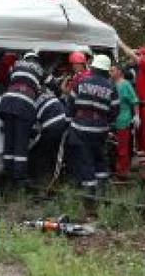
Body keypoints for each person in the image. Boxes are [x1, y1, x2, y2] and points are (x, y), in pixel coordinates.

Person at [65, 55, 119, 189]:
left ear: (93, 67)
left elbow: (70, 104)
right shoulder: (111, 87)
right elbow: (115, 111)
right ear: (106, 70)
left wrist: (69, 121)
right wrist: (106, 123)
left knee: (85, 159)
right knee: (99, 156)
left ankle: (89, 192)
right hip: (100, 129)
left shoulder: (81, 82)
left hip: (80, 128)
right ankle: (102, 187)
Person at [0, 51, 45, 185]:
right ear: (36, 59)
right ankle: (20, 178)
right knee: (20, 143)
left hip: (6, 104)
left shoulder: (16, 65)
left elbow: (7, 80)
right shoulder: (40, 69)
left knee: (9, 140)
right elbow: (50, 84)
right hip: (24, 105)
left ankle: (8, 172)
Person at [28, 88, 67, 181]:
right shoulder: (48, 93)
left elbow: (34, 130)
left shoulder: (31, 103)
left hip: (51, 126)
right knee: (56, 153)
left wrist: (29, 147)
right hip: (64, 122)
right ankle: (57, 179)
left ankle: (41, 180)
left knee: (41, 153)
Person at [109, 65, 138, 178]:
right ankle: (116, 169)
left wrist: (137, 115)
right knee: (114, 147)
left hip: (123, 119)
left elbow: (134, 100)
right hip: (112, 121)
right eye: (109, 71)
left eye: (112, 71)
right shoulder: (110, 84)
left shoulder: (125, 84)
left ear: (119, 72)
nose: (110, 73)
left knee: (122, 147)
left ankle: (123, 171)